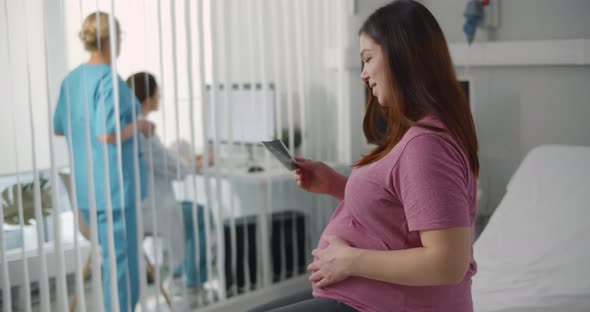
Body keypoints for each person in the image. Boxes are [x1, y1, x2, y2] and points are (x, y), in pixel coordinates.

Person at [251, 1, 479, 311]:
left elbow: (447, 262)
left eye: (368, 59)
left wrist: (350, 261)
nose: (363, 74)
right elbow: (400, 210)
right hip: (365, 297)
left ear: (404, 57)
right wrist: (335, 185)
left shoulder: (427, 146)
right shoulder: (414, 136)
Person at [53, 12, 152, 311]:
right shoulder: (108, 79)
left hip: (87, 189)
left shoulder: (72, 79)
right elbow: (107, 133)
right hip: (114, 191)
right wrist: (141, 126)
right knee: (122, 273)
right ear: (111, 39)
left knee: (114, 266)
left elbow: (59, 126)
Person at [100, 72, 210, 303]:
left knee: (191, 211)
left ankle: (181, 273)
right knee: (201, 215)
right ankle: (189, 282)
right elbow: (174, 169)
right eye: (158, 94)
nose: (160, 98)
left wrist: (182, 158)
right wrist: (195, 162)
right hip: (149, 211)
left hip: (129, 208)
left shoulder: (124, 127)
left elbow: (161, 160)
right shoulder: (142, 131)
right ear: (149, 99)